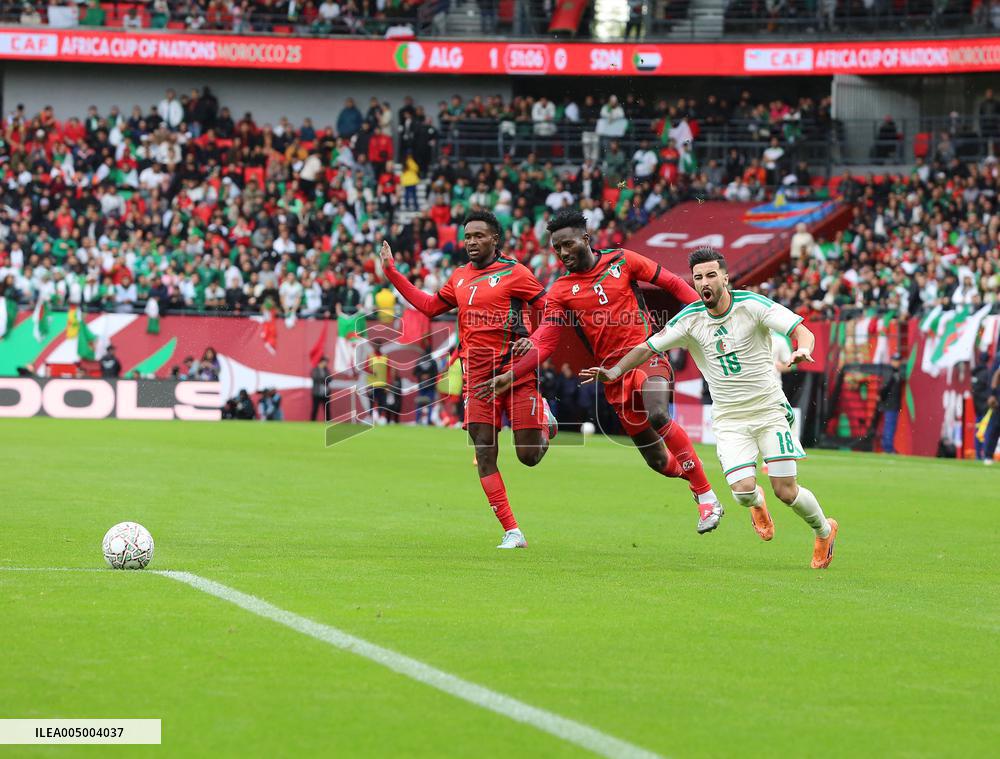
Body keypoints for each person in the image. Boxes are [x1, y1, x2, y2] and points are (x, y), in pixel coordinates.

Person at [581, 248, 838, 568]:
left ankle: (824, 530)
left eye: (711, 275)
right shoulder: (689, 320)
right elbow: (647, 347)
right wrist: (615, 372)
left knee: (786, 492)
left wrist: (804, 349)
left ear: (725, 278)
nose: (704, 282)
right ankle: (757, 503)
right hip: (730, 419)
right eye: (699, 277)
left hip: (768, 410)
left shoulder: (751, 305)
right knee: (743, 493)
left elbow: (800, 329)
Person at [476, 208, 724, 534]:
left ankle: (707, 496)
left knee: (658, 413)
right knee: (660, 463)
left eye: (568, 244)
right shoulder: (562, 290)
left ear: (586, 239)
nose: (563, 253)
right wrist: (511, 374)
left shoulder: (623, 260)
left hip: (646, 354)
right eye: (557, 248)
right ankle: (695, 477)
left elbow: (674, 284)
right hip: (611, 376)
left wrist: (707, 317)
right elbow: (546, 341)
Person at [381, 210, 556, 549]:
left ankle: (545, 420)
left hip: (515, 373)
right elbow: (431, 306)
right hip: (477, 378)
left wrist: (533, 339)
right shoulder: (459, 276)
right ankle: (512, 531)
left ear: (495, 239)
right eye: (467, 237)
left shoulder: (515, 272)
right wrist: (392, 273)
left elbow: (551, 309)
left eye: (479, 235)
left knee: (529, 457)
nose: (472, 242)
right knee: (485, 453)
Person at [879, 353, 903, 454]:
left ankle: (887, 447)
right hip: (890, 403)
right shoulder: (890, 372)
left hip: (893, 403)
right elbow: (885, 387)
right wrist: (882, 397)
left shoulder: (896, 372)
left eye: (898, 360)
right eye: (895, 360)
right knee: (889, 426)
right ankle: (888, 448)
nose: (897, 362)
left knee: (890, 426)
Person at [311, 357, 329, 422]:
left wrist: (323, 379)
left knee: (327, 409)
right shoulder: (315, 369)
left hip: (325, 393)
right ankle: (312, 422)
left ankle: (328, 422)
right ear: (321, 362)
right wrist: (324, 379)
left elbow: (330, 379)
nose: (326, 364)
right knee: (315, 408)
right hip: (317, 393)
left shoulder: (326, 370)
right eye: (325, 362)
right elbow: (315, 378)